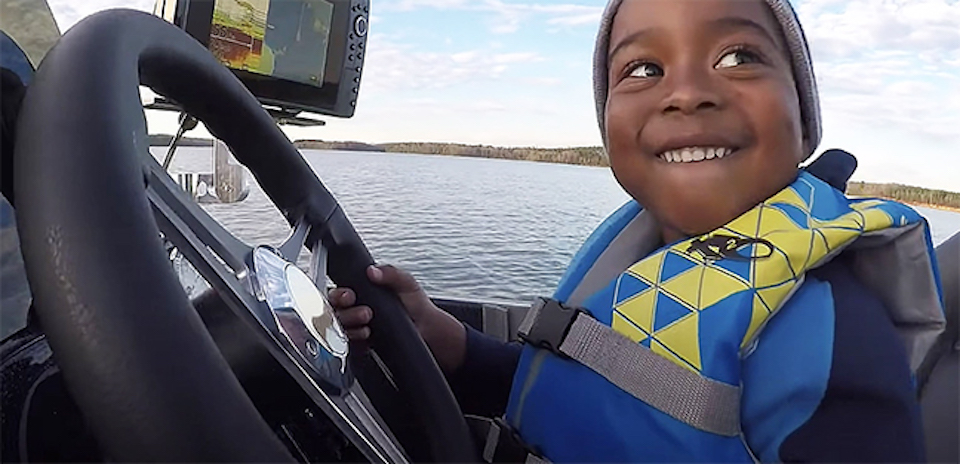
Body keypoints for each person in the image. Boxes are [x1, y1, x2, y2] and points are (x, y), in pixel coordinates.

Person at [326, 0, 944, 461]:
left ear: (805, 124)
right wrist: (439, 335)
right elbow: (576, 387)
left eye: (738, 57)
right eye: (644, 69)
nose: (687, 93)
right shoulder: (644, 258)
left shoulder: (840, 344)